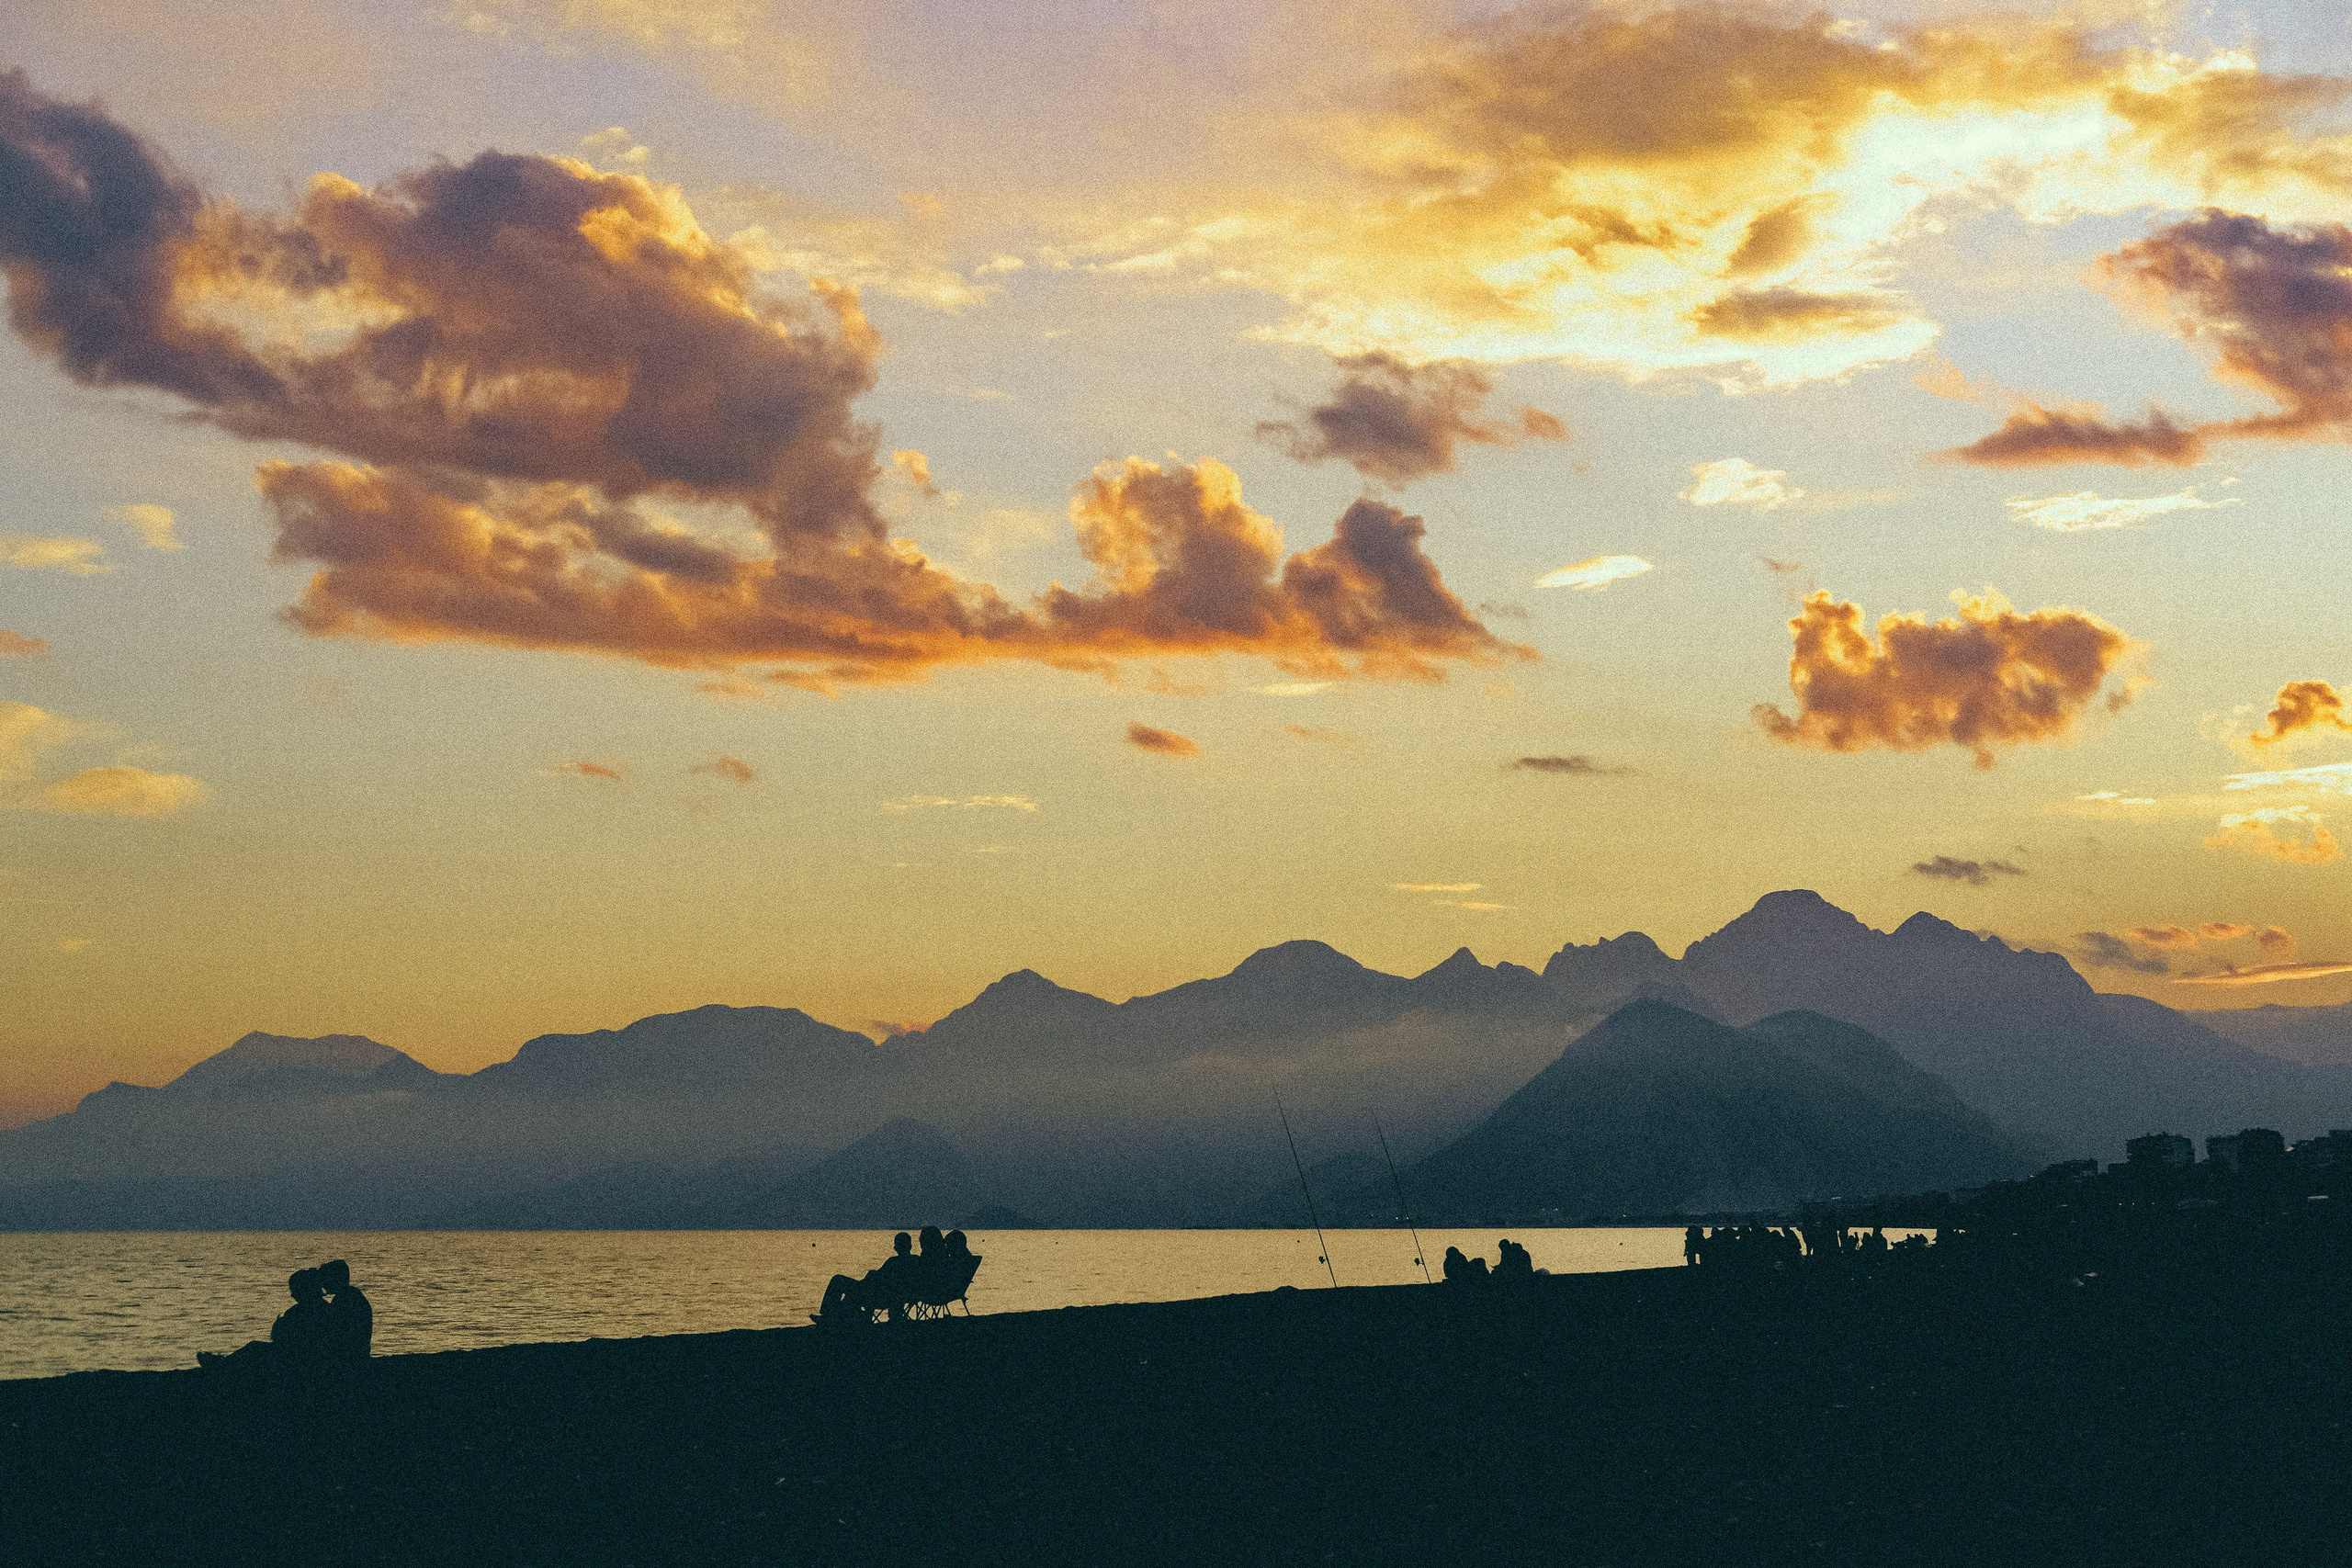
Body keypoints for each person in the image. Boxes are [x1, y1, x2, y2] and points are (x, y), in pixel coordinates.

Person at [198, 1269, 334, 1368]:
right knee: (254, 1348)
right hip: (298, 1354)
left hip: (298, 1357)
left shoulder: (306, 1311)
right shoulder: (320, 1307)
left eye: (294, 1290)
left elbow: (283, 1338)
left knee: (254, 1348)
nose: (292, 1295)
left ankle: (220, 1364)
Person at [319, 1259, 372, 1360]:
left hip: (349, 1357)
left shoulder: (344, 1299)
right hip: (357, 1353)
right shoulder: (352, 1295)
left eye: (324, 1280)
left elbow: (333, 1332)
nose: (323, 1284)